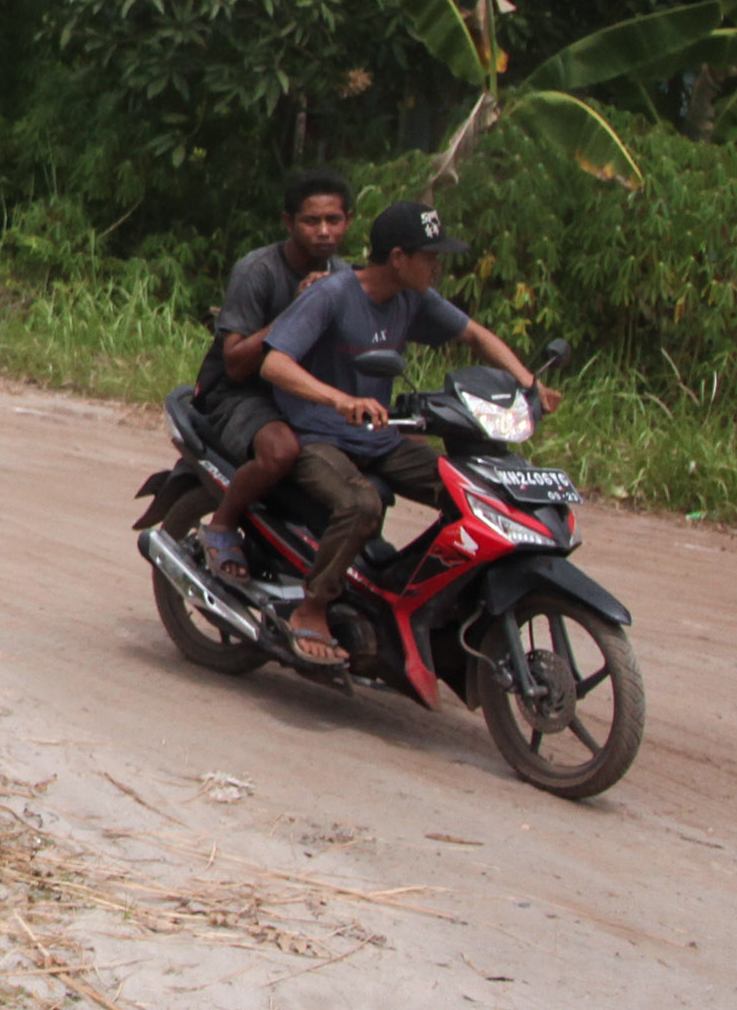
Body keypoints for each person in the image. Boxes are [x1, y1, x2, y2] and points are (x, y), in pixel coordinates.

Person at [253, 198, 557, 665]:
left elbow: (475, 335)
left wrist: (530, 383)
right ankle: (313, 608)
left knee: (474, 488)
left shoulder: (411, 299)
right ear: (399, 258)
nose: (437, 268)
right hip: (319, 436)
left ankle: (431, 598)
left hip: (380, 436)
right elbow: (274, 362)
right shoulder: (332, 295)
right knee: (361, 504)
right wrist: (340, 400)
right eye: (430, 257)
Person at [193, 171, 352, 582]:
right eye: (311, 221)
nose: (323, 231)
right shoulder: (258, 271)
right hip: (241, 392)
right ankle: (223, 523)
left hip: (301, 392)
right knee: (281, 451)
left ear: (348, 221)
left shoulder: (345, 275)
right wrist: (299, 310)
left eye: (333, 220)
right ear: (288, 223)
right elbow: (235, 362)